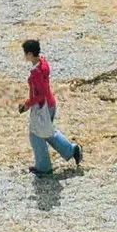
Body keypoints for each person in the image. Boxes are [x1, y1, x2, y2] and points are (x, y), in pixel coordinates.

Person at [19, 39, 82, 176]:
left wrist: (26, 104)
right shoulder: (42, 63)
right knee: (47, 132)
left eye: (25, 53)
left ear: (30, 54)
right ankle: (72, 150)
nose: (24, 56)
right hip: (50, 104)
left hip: (43, 107)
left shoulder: (36, 73)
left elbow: (40, 95)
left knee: (35, 134)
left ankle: (44, 167)